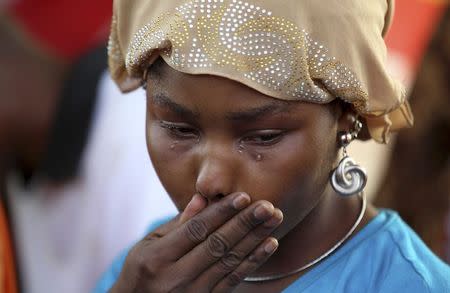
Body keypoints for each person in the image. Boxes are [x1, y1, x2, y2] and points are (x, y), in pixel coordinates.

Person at [96, 0, 450, 292]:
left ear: (346, 113)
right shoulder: (151, 270)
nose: (211, 180)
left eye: (262, 137)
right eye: (178, 129)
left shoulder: (405, 284)